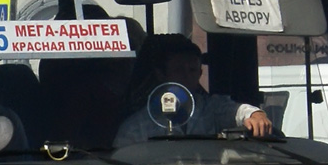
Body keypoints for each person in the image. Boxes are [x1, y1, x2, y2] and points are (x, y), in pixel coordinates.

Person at [115, 35, 271, 146]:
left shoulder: (210, 108)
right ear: (161, 74)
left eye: (192, 70)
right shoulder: (136, 127)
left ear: (200, 73)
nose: (186, 76)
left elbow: (235, 110)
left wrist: (255, 115)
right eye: (178, 70)